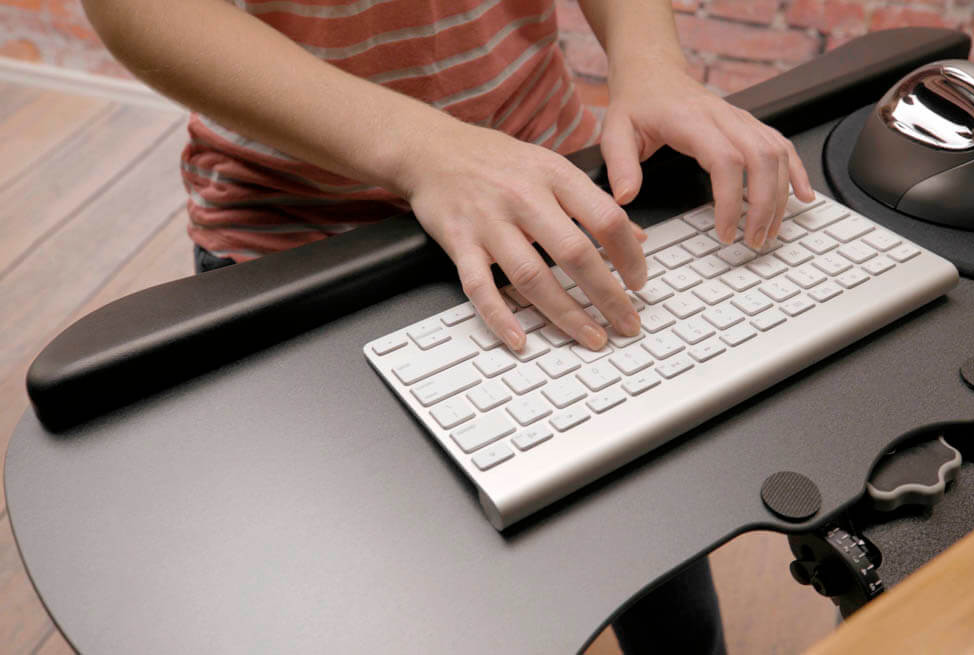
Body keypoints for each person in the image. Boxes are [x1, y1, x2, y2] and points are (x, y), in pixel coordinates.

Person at [82, 1, 814, 652]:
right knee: (385, 590)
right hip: (303, 245)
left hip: (543, 197)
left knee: (659, 555)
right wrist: (422, 147)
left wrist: (652, 65)